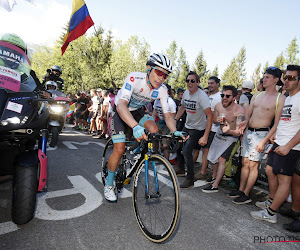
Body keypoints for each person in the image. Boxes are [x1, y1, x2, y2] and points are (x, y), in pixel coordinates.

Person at [104, 53, 186, 202]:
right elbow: (122, 105)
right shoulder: (135, 78)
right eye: (159, 72)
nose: (161, 78)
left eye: (165, 76)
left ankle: (137, 154)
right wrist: (135, 126)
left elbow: (168, 116)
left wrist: (175, 131)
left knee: (154, 130)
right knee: (119, 148)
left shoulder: (162, 90)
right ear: (149, 68)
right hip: (121, 111)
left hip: (138, 112)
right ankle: (109, 184)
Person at [250, 65, 300, 224]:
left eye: (291, 78)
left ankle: (271, 213)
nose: (287, 80)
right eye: (286, 77)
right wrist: (276, 136)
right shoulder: (288, 97)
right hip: (279, 141)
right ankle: (272, 201)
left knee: (285, 180)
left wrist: (288, 146)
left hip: (290, 146)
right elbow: (285, 121)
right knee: (270, 171)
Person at [229, 67, 286, 204]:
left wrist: (264, 141)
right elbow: (248, 115)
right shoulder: (257, 95)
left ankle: (247, 194)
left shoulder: (280, 98)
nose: (264, 79)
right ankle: (241, 190)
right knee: (244, 163)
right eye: (264, 77)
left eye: (267, 77)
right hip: (249, 132)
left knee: (253, 165)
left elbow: (277, 123)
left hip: (261, 135)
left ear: (276, 80)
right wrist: (244, 126)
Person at [202, 86, 244, 192]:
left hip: (231, 137)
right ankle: (215, 177)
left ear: (234, 97)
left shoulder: (239, 110)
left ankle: (215, 186)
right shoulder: (218, 105)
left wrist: (229, 130)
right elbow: (214, 120)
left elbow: (240, 131)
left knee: (221, 159)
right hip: (219, 135)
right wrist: (218, 120)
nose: (224, 98)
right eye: (222, 95)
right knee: (213, 158)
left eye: (227, 96)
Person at [174, 71, 213, 189]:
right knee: (179, 146)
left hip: (198, 128)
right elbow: (182, 107)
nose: (189, 83)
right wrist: (175, 119)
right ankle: (181, 168)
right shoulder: (186, 93)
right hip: (188, 125)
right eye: (188, 81)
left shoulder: (202, 96)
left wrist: (205, 136)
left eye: (192, 81)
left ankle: (190, 179)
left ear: (197, 82)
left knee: (186, 151)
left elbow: (210, 116)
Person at [0, 33, 50, 98]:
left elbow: (39, 88)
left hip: (18, 103)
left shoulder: (28, 73)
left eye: (15, 52)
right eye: (8, 50)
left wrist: (45, 93)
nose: (11, 53)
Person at [195, 76, 222, 181]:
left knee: (208, 151)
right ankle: (206, 171)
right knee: (206, 150)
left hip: (215, 129)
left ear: (217, 84)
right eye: (209, 83)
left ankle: (205, 172)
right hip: (207, 127)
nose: (210, 85)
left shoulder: (219, 96)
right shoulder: (209, 96)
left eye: (212, 83)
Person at [152, 84, 177, 160]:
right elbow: (154, 113)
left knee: (165, 145)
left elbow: (173, 118)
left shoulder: (170, 102)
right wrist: (152, 124)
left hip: (168, 124)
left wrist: (171, 132)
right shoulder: (157, 100)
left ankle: (166, 162)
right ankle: (156, 157)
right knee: (154, 139)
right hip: (159, 122)